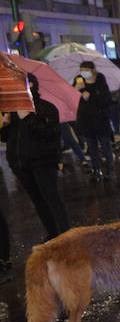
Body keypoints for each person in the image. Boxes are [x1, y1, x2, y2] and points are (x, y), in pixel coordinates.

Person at [1, 73, 70, 240]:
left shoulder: (47, 108)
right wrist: (5, 125)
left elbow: (51, 134)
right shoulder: (12, 109)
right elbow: (6, 139)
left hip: (43, 162)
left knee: (51, 199)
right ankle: (53, 235)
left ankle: (66, 236)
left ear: (30, 85)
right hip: (20, 164)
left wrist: (28, 118)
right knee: (38, 202)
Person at [73, 59, 115, 180]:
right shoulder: (78, 81)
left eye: (86, 70)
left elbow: (107, 99)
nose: (83, 73)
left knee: (105, 145)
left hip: (100, 119)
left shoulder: (100, 81)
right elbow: (72, 99)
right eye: (81, 70)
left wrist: (92, 95)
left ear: (92, 70)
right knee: (91, 147)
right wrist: (76, 89)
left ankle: (109, 168)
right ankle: (96, 169)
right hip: (86, 120)